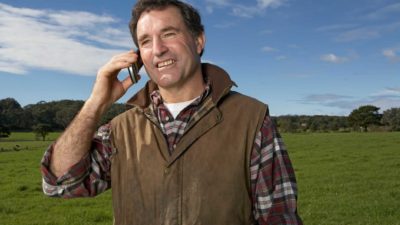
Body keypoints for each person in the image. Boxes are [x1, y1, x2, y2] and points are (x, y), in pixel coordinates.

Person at [41, 0, 303, 224]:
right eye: (145, 41)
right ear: (138, 56)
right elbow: (61, 183)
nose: (158, 49)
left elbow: (279, 217)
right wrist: (96, 103)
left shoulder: (251, 119)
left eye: (168, 34)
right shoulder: (120, 130)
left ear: (198, 41)